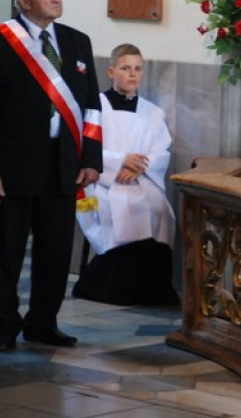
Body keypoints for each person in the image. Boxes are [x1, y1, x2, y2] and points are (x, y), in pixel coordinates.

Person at [0, 0, 102, 352]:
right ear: (24, 1)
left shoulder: (78, 42)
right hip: (12, 167)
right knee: (5, 252)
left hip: (63, 164)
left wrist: (91, 158)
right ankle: (4, 327)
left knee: (56, 251)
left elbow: (91, 107)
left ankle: (43, 322)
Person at [72, 44, 177, 306]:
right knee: (123, 207)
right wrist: (120, 162)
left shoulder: (152, 112)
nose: (132, 74)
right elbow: (85, 148)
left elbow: (160, 151)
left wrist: (138, 166)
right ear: (111, 71)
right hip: (99, 183)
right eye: (125, 68)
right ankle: (109, 286)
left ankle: (150, 288)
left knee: (158, 208)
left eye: (138, 69)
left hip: (141, 179)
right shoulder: (95, 108)